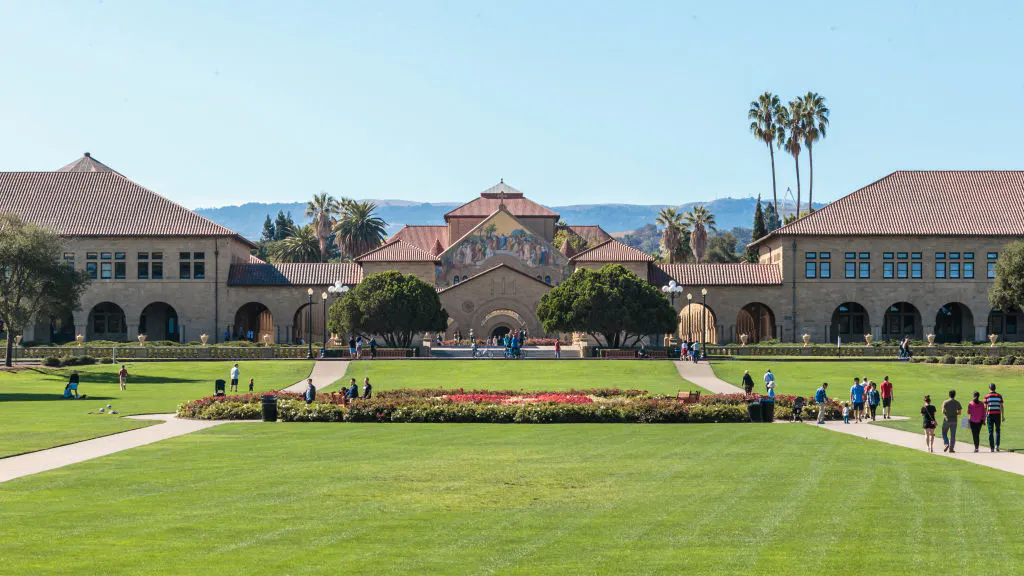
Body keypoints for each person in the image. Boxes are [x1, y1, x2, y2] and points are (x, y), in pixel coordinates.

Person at [984, 383, 1005, 452]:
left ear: (989, 388)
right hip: (997, 415)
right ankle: (997, 446)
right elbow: (1001, 406)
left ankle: (992, 448)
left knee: (990, 431)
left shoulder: (987, 396)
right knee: (998, 430)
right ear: (995, 388)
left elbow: (985, 408)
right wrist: (1003, 416)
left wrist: (984, 418)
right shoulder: (999, 396)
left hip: (990, 415)